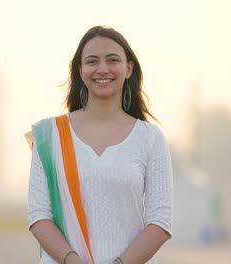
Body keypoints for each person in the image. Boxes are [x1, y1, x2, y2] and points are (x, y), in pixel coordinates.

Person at [26, 25, 173, 264]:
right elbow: (39, 216)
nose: (102, 69)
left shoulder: (150, 138)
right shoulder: (50, 136)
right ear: (80, 70)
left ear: (128, 68)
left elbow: (160, 221)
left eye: (112, 60)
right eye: (92, 61)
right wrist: (72, 260)